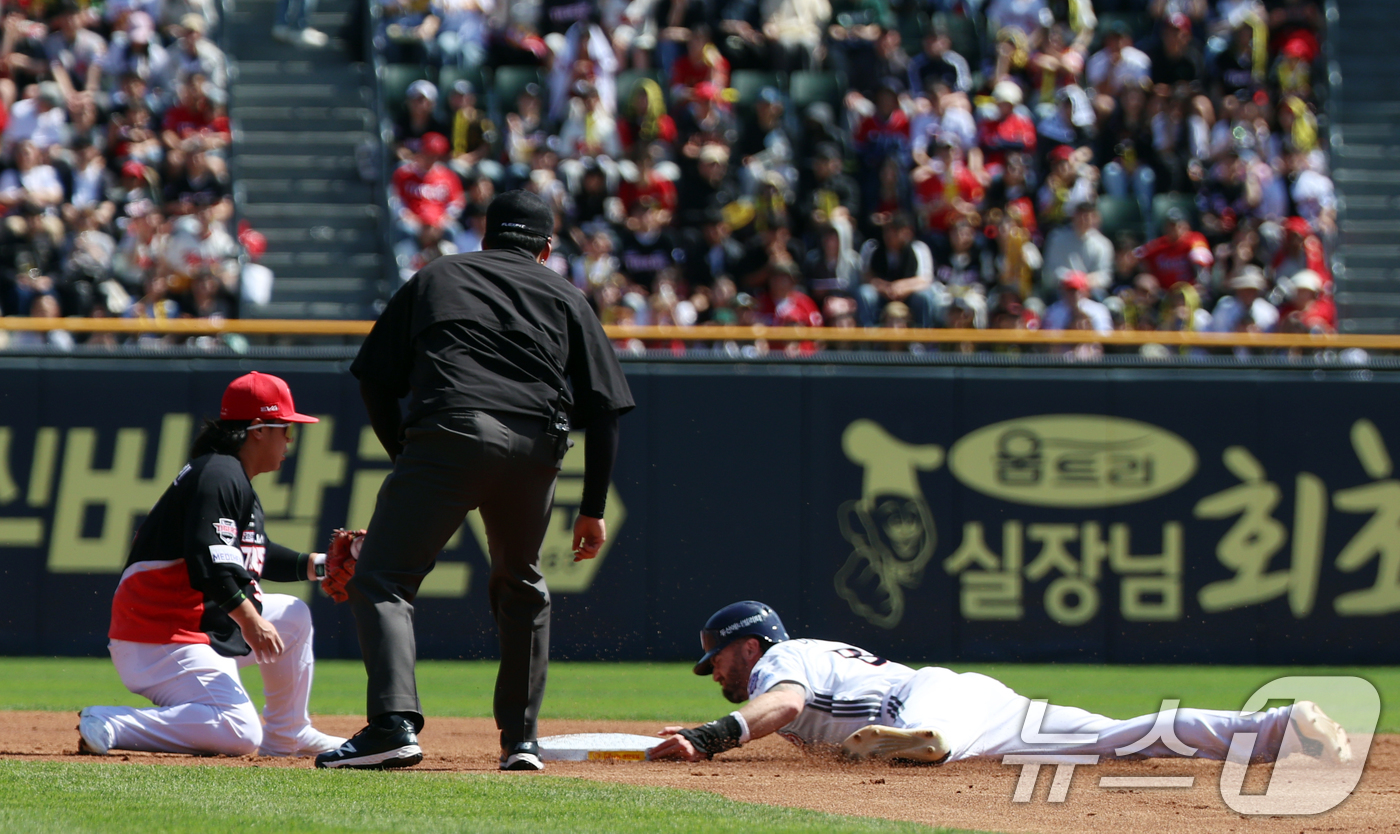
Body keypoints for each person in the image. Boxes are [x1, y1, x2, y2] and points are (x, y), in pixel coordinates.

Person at [317, 190, 634, 772]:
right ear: (546, 248)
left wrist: (408, 458)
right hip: (540, 447)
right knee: (522, 585)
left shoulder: (437, 276)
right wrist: (592, 507)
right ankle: (522, 741)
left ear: (484, 238)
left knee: (383, 579)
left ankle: (392, 726)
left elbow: (373, 379)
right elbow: (606, 410)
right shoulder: (566, 293)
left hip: (451, 430)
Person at [650, 601, 1353, 766]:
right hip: (982, 705)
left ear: (747, 646)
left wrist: (712, 737)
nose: (714, 673)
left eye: (715, 661)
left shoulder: (780, 660)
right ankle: (1281, 728)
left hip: (932, 704)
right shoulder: (798, 656)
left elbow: (786, 704)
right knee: (1117, 740)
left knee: (920, 740)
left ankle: (925, 744)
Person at [76, 373, 344, 759]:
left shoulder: (227, 474)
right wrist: (251, 621)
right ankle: (110, 722)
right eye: (284, 429)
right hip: (159, 637)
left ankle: (288, 734)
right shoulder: (219, 474)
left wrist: (321, 566)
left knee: (294, 616)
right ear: (257, 430)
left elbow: (255, 551)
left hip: (195, 624)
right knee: (239, 730)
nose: (289, 440)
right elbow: (208, 560)